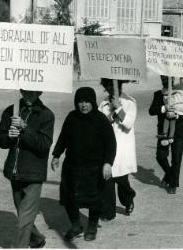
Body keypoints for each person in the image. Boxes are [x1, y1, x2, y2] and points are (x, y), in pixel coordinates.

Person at [51, 87, 116, 242]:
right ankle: (75, 225)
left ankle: (92, 226)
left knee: (94, 199)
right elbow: (63, 138)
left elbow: (111, 144)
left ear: (93, 102)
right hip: (72, 166)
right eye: (80, 101)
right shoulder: (71, 117)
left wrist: (108, 163)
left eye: (87, 101)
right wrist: (56, 155)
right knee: (70, 197)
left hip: (94, 168)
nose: (83, 105)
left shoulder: (101, 120)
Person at [0, 89, 55, 248]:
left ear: (39, 92)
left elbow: (44, 144)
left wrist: (25, 128)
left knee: (23, 219)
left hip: (33, 175)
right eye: (25, 92)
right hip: (14, 173)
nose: (28, 96)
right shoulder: (10, 111)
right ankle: (36, 239)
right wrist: (9, 136)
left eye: (32, 93)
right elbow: (0, 140)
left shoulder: (46, 115)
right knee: (23, 214)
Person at [98, 78, 137, 220]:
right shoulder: (103, 104)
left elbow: (128, 123)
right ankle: (109, 212)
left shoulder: (130, 102)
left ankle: (128, 199)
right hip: (107, 146)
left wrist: (119, 108)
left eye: (112, 84)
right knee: (108, 177)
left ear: (119, 84)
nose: (109, 87)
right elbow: (99, 123)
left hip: (123, 146)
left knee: (121, 178)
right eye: (106, 84)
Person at [148, 76, 183, 194]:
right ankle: (169, 174)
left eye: (168, 79)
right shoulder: (158, 94)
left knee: (176, 159)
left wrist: (177, 115)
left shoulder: (181, 93)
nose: (166, 82)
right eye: (163, 79)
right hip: (164, 131)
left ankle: (173, 184)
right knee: (160, 156)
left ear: (173, 79)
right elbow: (151, 111)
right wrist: (164, 108)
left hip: (179, 130)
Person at [158, 78, 183, 145]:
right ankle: (170, 137)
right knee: (172, 120)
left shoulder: (178, 86)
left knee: (168, 119)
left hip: (174, 109)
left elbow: (165, 92)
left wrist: (165, 90)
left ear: (182, 79)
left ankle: (165, 135)